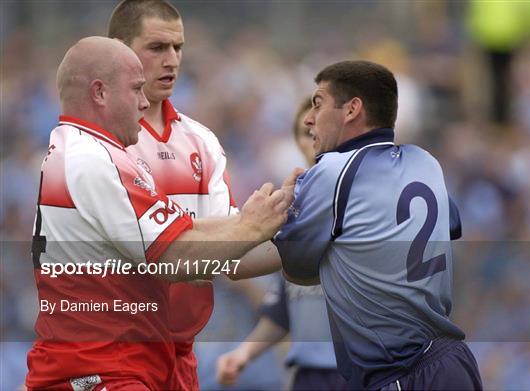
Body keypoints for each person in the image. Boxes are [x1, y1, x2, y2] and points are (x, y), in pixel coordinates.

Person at [26, 36, 292, 391]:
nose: (143, 101)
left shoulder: (84, 149)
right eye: (135, 89)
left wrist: (278, 226)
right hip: (101, 368)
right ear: (100, 93)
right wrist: (252, 225)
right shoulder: (95, 159)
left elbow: (190, 234)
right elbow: (176, 255)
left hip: (122, 363)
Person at [274, 60, 483, 390]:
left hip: (402, 372)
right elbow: (449, 224)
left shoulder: (332, 171)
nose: (310, 118)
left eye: (318, 103)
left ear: (352, 109)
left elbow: (296, 268)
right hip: (452, 362)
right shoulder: (425, 161)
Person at [106, 2, 284, 389]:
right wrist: (249, 228)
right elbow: (157, 255)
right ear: (118, 51)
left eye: (178, 48)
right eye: (156, 48)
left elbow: (229, 258)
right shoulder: (93, 143)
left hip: (180, 357)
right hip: (112, 353)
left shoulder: (201, 141)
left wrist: (303, 236)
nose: (171, 60)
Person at [215, 98, 346, 390]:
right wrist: (243, 353)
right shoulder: (293, 207)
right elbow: (283, 306)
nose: (313, 139)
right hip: (309, 373)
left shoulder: (358, 200)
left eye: (319, 129)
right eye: (304, 132)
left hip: (359, 371)